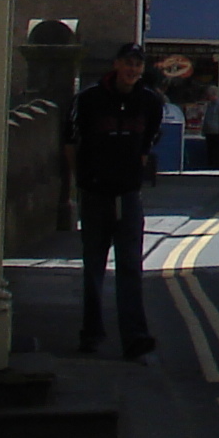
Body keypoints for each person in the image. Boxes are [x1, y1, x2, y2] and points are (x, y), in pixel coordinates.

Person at [66, 41, 164, 357]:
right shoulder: (89, 99)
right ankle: (91, 334)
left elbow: (148, 141)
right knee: (94, 266)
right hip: (95, 193)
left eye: (138, 64)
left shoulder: (150, 102)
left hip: (128, 194)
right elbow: (70, 141)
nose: (133, 69)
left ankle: (134, 337)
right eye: (128, 63)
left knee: (130, 267)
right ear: (116, 65)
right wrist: (79, 182)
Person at [198, 86, 219, 170]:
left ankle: (216, 166)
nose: (208, 97)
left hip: (216, 132)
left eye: (209, 95)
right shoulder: (210, 105)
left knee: (216, 151)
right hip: (209, 131)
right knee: (210, 150)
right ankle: (211, 165)